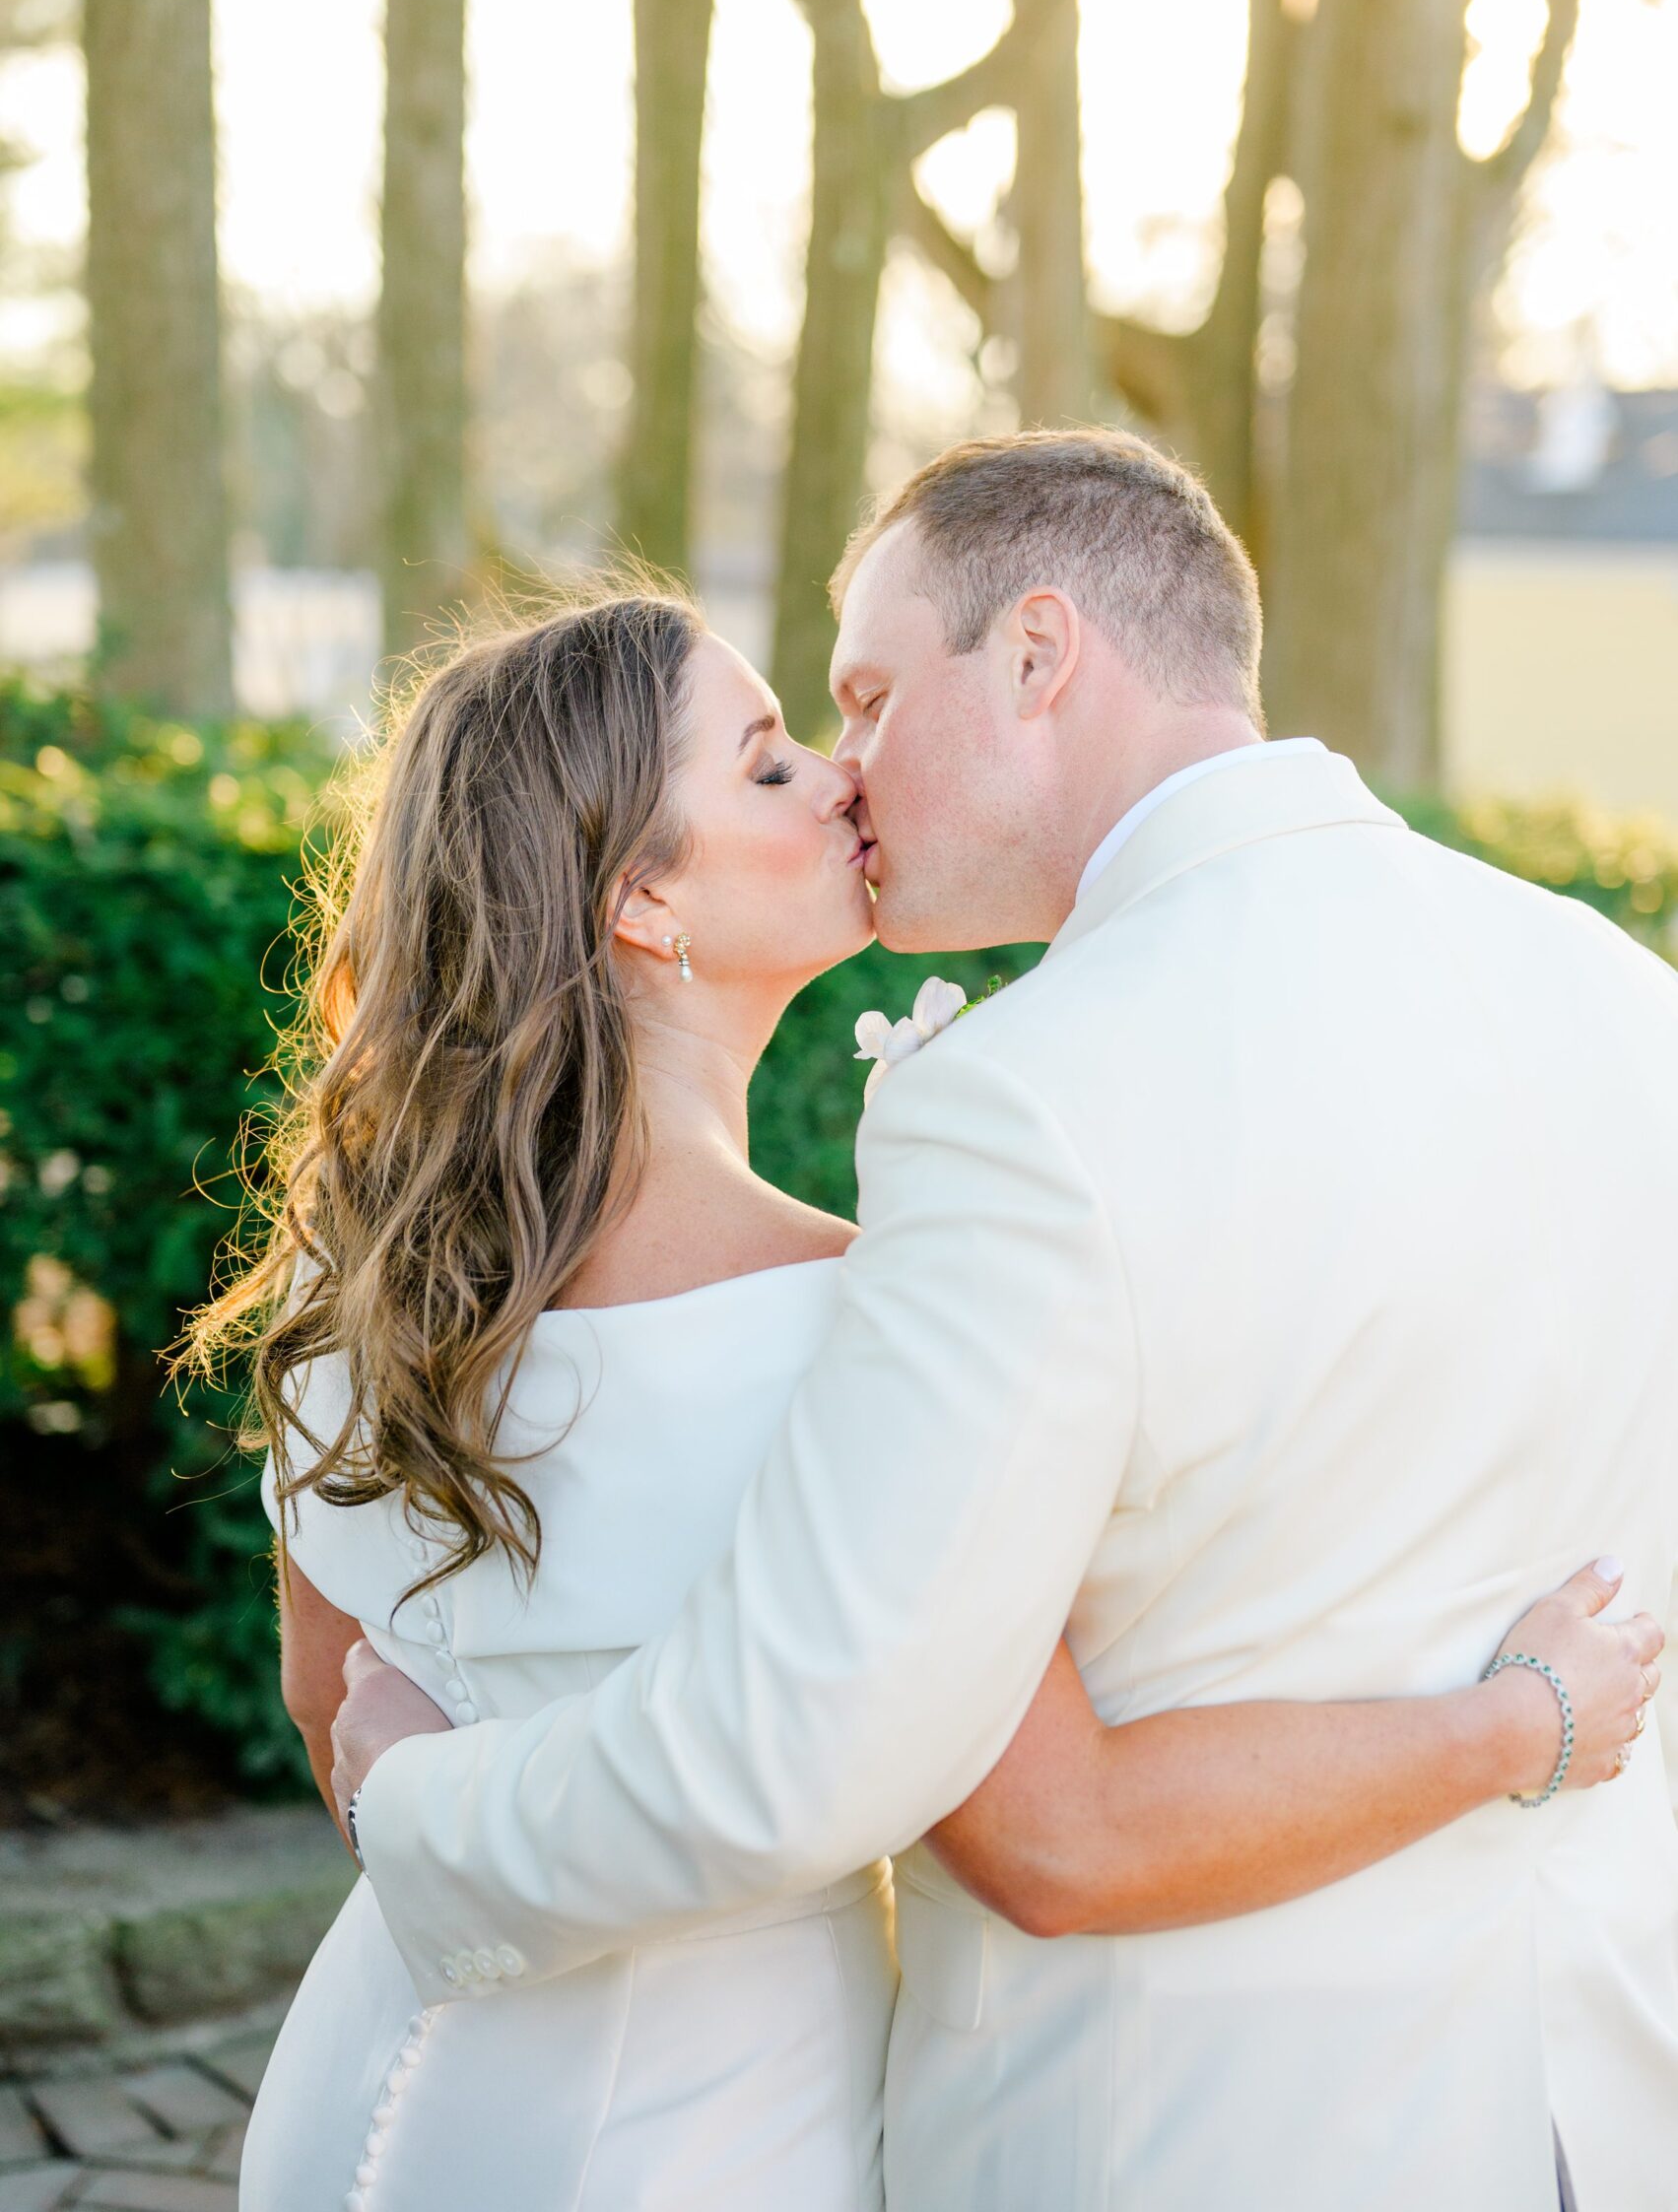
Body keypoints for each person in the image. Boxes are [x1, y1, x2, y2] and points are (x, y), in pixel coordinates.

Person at [254, 479, 1667, 2209]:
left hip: (400, 2088)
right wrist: (1525, 1718)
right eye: (783, 750)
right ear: (639, 898)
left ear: (1040, 650)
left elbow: (335, 1700)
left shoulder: (372, 1279)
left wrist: (412, 1806)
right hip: (1531, 2099)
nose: (847, 773)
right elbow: (1016, 1815)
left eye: (855, 702)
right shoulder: (1619, 994)